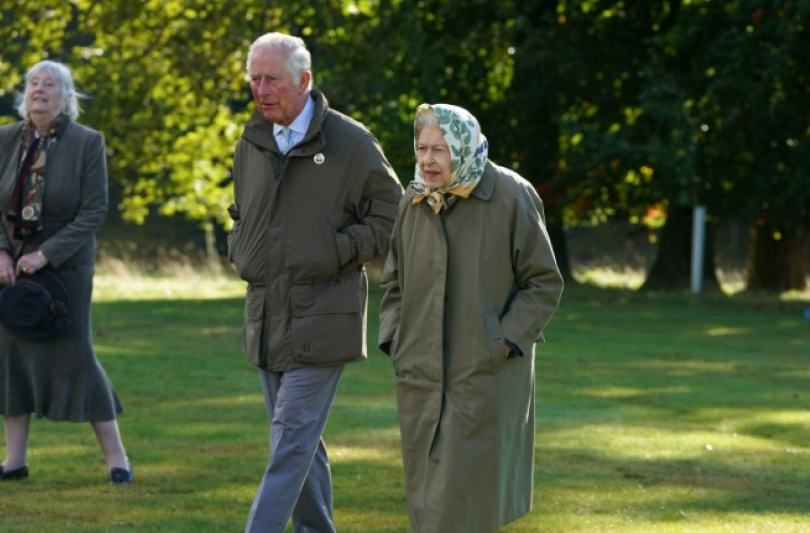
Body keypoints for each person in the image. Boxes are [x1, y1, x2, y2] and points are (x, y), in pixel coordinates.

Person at [227, 32, 403, 533]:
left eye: (272, 80)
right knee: (300, 443)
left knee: (289, 442)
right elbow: (242, 211)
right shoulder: (252, 139)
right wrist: (240, 247)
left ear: (304, 81)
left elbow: (393, 218)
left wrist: (336, 250)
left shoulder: (350, 142)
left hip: (324, 317)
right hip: (266, 317)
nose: (261, 90)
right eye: (254, 79)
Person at [378, 103, 564, 532]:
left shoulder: (511, 195)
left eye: (439, 149)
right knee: (429, 501)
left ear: (463, 146)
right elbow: (394, 283)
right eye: (421, 148)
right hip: (420, 374)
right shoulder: (413, 200)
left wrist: (501, 343)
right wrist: (396, 340)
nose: (427, 160)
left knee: (462, 505)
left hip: (482, 376)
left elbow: (544, 283)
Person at [0, 60, 132, 485]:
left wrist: (45, 255)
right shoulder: (4, 139)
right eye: (33, 83)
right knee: (10, 359)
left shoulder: (87, 143)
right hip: (11, 271)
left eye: (50, 84)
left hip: (65, 270)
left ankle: (118, 461)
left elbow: (94, 210)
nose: (39, 89)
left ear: (67, 98)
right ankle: (13, 462)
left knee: (76, 355)